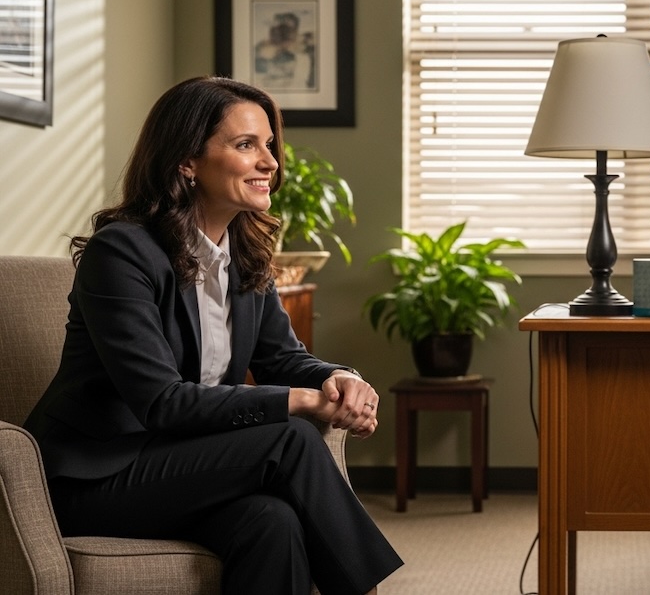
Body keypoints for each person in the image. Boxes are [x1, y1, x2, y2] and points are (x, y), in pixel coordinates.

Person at [24, 76, 403, 595]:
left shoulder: (245, 257)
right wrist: (300, 401)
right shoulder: (122, 254)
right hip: (94, 480)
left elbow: (283, 357)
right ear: (186, 161)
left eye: (269, 145)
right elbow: (162, 402)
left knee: (272, 522)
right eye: (246, 145)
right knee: (289, 436)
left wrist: (339, 378)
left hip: (186, 466)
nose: (270, 161)